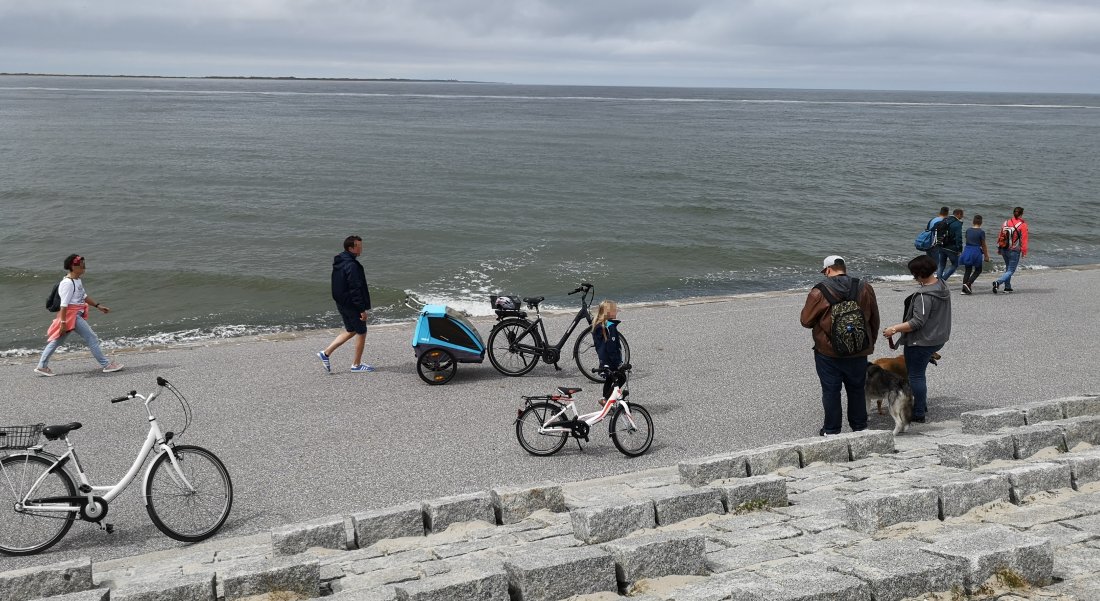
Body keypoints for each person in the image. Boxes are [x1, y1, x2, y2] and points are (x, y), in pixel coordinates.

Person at [800, 256, 880, 435]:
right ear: (844, 268)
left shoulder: (819, 291)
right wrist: (869, 343)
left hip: (828, 352)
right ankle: (859, 427)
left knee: (831, 391)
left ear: (828, 270)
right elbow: (874, 319)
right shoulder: (864, 287)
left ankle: (831, 430)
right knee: (857, 389)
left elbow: (805, 321)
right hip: (859, 350)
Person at [882, 255, 951, 423]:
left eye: (913, 273)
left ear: (919, 274)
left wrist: (894, 329)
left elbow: (917, 322)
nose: (913, 276)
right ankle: (922, 404)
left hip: (921, 341)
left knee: (916, 376)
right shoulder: (941, 285)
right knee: (920, 373)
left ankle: (918, 412)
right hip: (938, 337)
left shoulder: (924, 296)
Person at [34, 254, 123, 376]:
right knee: (92, 338)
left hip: (73, 315)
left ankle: (42, 366)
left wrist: (98, 306)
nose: (84, 268)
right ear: (73, 267)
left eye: (84, 265)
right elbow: (64, 305)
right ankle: (106, 364)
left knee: (57, 341)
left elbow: (83, 296)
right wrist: (63, 323)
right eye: (81, 266)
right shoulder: (68, 283)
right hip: (71, 316)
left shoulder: (77, 280)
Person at [317, 235, 374, 373]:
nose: (361, 248)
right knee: (361, 331)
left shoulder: (340, 261)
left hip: (341, 302)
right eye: (359, 246)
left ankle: (325, 353)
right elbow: (355, 289)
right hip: (351, 304)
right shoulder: (351, 265)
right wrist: (361, 310)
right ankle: (356, 365)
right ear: (351, 248)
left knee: (351, 330)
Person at [591, 300, 625, 402]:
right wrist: (618, 362)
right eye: (615, 310)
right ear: (608, 312)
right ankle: (606, 399)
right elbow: (611, 347)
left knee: (609, 379)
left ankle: (606, 399)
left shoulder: (599, 325)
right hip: (611, 361)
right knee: (622, 378)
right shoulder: (610, 326)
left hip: (604, 360)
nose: (617, 311)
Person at [993, 206, 1029, 294]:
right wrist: (1024, 251)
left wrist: (999, 248)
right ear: (1021, 214)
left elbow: (1000, 235)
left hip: (1004, 249)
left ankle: (1007, 287)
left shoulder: (1005, 223)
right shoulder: (1023, 225)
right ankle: (998, 282)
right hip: (1014, 250)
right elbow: (1024, 239)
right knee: (1011, 270)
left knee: (1008, 268)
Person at [959, 214, 990, 295]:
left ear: (973, 221)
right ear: (981, 222)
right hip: (976, 251)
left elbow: (967, 239)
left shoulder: (968, 230)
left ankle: (964, 290)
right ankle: (968, 283)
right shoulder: (981, 232)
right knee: (978, 270)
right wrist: (986, 255)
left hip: (967, 250)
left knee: (968, 270)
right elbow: (983, 244)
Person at [937, 208, 964, 282]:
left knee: (941, 265)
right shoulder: (957, 224)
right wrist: (959, 249)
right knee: (955, 264)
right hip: (951, 248)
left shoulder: (945, 220)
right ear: (958, 214)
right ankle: (942, 280)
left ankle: (938, 281)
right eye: (962, 215)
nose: (962, 217)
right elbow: (958, 238)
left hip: (941, 245)